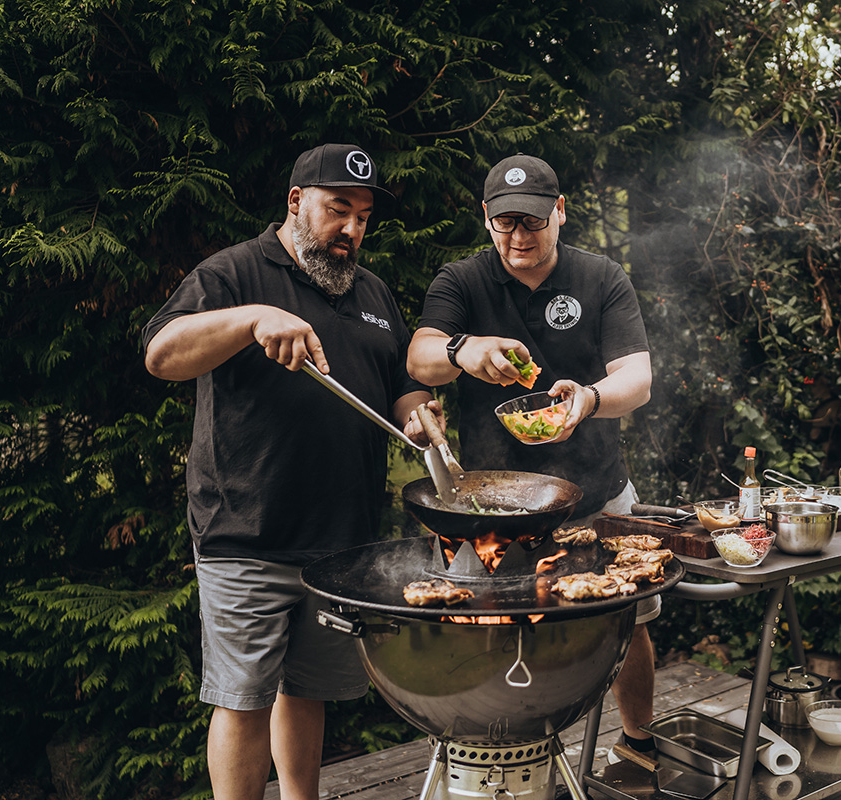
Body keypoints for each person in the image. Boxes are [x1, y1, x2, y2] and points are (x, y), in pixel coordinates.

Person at [142, 143, 440, 800]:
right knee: (243, 699)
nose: (352, 230)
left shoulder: (373, 293)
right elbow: (162, 354)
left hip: (341, 541)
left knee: (307, 692)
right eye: (339, 209)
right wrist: (253, 319)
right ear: (296, 201)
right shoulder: (235, 273)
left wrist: (420, 417)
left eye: (363, 217)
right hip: (248, 533)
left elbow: (402, 387)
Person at [406, 153, 658, 757]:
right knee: (494, 627)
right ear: (487, 218)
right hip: (495, 506)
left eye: (533, 221)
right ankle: (500, 747)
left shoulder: (601, 279)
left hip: (597, 495)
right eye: (505, 222)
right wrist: (463, 350)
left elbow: (639, 380)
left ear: (560, 213)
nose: (518, 236)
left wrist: (591, 398)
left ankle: (637, 740)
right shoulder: (461, 282)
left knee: (630, 624)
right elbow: (420, 356)